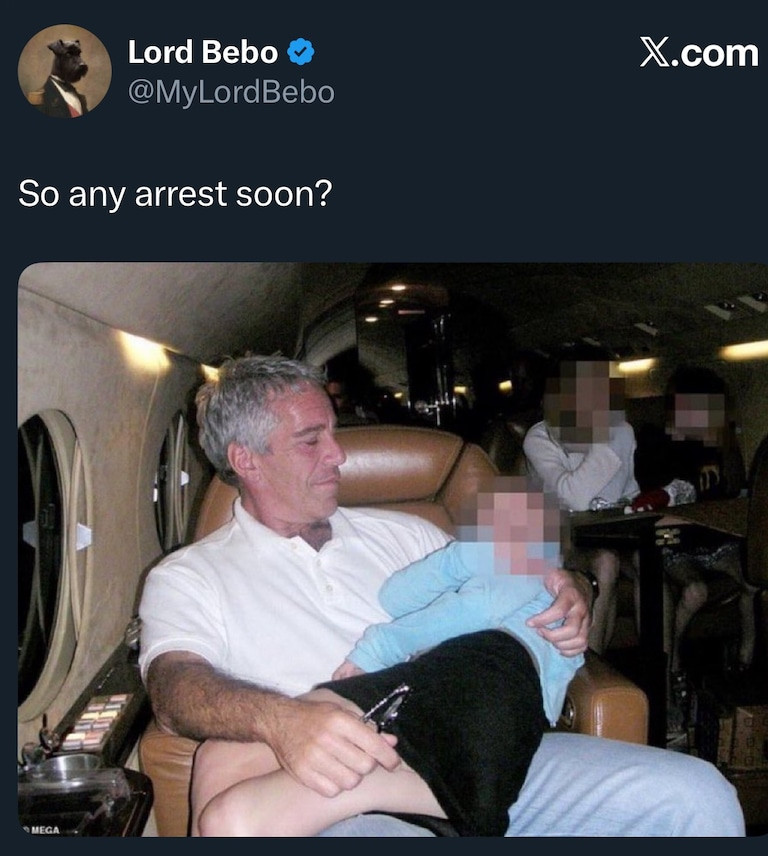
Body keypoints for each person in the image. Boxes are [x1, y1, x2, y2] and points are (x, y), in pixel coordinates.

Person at [138, 354, 745, 838]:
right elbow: (174, 688)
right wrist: (284, 721)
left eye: (334, 433)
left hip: (482, 749)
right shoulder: (190, 576)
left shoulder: (406, 533)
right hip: (321, 789)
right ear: (246, 459)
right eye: (311, 440)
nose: (339, 454)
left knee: (698, 798)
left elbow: (504, 587)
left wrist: (568, 589)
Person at [194, 477, 582, 836]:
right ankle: (407, 782)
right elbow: (394, 596)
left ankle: (397, 782)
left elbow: (475, 610)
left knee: (231, 821)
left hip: (483, 683)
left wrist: (380, 647)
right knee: (220, 755)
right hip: (429, 684)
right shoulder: (194, 569)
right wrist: (463, 557)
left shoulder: (533, 573)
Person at [633, 365, 754, 739]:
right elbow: (654, 500)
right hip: (673, 543)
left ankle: (746, 663)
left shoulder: (718, 447)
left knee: (754, 577)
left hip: (712, 540)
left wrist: (726, 444)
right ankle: (673, 667)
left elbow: (731, 495)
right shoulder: (657, 444)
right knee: (695, 590)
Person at [522, 344, 640, 655]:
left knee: (653, 565)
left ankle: (667, 673)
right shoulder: (540, 437)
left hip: (616, 535)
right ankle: (590, 668)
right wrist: (609, 438)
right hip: (560, 541)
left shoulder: (620, 431)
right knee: (606, 562)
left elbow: (626, 492)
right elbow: (575, 498)